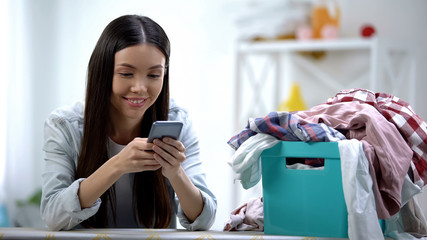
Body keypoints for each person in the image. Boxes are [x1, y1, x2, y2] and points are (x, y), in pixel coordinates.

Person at [40, 14, 217, 231]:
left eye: (153, 75)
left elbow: (205, 219)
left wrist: (175, 172)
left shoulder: (178, 120)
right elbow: (53, 216)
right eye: (126, 73)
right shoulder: (64, 125)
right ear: (103, 73)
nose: (140, 88)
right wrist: (117, 165)